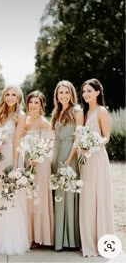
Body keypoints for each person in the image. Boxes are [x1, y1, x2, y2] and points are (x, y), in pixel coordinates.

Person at [0, 85, 30, 255]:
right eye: (8, 94)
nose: (10, 97)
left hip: (11, 157)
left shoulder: (21, 115)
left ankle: (11, 238)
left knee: (10, 196)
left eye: (14, 95)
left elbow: (17, 141)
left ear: (18, 98)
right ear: (3, 96)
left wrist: (16, 166)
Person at [79, 78, 114, 257]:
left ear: (98, 93)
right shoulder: (85, 112)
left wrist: (93, 144)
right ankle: (88, 240)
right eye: (84, 91)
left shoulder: (101, 111)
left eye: (89, 91)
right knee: (88, 198)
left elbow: (106, 137)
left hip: (98, 158)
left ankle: (102, 240)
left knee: (99, 196)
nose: (85, 94)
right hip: (85, 159)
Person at [51, 80, 83, 251]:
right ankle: (58, 238)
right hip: (56, 154)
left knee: (68, 194)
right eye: (60, 93)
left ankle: (70, 239)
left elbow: (78, 136)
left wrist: (69, 159)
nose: (63, 96)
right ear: (57, 95)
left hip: (69, 154)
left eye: (66, 92)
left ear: (72, 94)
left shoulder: (77, 111)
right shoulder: (57, 111)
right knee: (57, 194)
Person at [24, 91, 54, 248]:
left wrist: (37, 157)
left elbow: (49, 145)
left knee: (39, 198)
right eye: (31, 102)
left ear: (41, 105)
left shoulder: (44, 123)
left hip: (40, 165)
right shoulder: (25, 121)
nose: (33, 105)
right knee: (28, 199)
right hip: (26, 163)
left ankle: (40, 236)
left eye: (36, 102)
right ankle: (29, 235)